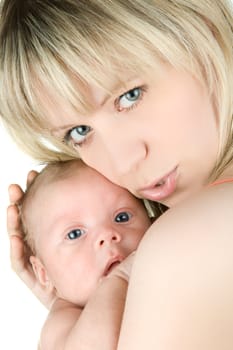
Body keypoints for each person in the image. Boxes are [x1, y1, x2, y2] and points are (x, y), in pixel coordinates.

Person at [1, 0, 233, 349]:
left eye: (130, 96)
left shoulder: (182, 245)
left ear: (199, 29)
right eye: (79, 132)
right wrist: (89, 308)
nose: (123, 162)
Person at [20, 158, 152, 350]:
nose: (107, 235)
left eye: (121, 217)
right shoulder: (63, 320)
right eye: (75, 234)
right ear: (43, 274)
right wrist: (121, 277)